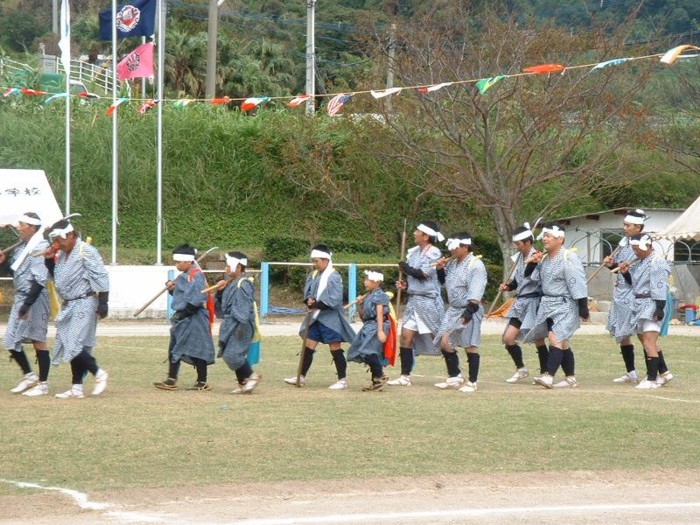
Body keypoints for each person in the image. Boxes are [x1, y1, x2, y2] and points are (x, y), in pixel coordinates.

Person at [43, 219, 109, 399]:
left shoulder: (85, 250)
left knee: (73, 343)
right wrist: (49, 260)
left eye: (60, 240)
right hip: (69, 304)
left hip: (84, 302)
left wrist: (104, 302)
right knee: (70, 344)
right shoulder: (64, 254)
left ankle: (99, 373)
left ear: (71, 235)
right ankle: (77, 387)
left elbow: (101, 275)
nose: (58, 244)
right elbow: (57, 276)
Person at [523, 222, 589, 389]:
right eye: (544, 236)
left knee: (555, 337)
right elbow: (532, 278)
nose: (545, 239)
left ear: (560, 239)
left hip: (565, 303)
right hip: (548, 303)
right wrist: (532, 263)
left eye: (549, 236)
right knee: (563, 341)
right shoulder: (544, 258)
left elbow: (578, 283)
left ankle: (549, 375)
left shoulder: (569, 257)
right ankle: (570, 377)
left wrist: (583, 306)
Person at [284, 245, 356, 390]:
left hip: (331, 318)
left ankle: (342, 380)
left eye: (316, 261)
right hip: (316, 317)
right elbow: (308, 292)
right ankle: (301, 376)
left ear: (325, 259)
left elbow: (334, 299)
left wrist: (317, 304)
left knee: (335, 347)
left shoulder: (334, 276)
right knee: (308, 345)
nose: (314, 264)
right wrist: (308, 301)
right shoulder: (314, 275)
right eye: (313, 261)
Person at [387, 222, 445, 387]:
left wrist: (405, 268)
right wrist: (405, 285)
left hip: (429, 301)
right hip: (413, 301)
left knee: (440, 338)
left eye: (417, 231)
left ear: (425, 236)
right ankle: (405, 376)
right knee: (405, 337)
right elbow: (413, 278)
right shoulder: (412, 254)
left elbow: (423, 274)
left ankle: (454, 373)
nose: (414, 233)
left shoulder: (434, 253)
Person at [1, 213, 51, 396]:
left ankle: (43, 384)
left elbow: (39, 280)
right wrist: (3, 263)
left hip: (35, 297)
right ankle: (30, 376)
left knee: (38, 339)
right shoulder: (22, 247)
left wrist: (27, 305)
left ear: (32, 227)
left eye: (21, 224)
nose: (18, 227)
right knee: (10, 340)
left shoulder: (41, 247)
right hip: (21, 296)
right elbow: (15, 271)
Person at [154, 244, 216, 391]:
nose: (176, 265)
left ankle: (202, 381)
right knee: (174, 347)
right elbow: (181, 295)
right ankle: (171, 379)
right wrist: (171, 289)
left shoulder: (196, 275)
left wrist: (184, 313)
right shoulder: (183, 276)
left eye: (178, 262)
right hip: (182, 318)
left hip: (195, 318)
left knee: (198, 348)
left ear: (188, 261)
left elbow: (198, 298)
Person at [433, 232, 487, 393]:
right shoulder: (453, 263)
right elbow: (445, 283)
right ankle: (455, 376)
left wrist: (468, 313)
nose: (452, 251)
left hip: (469, 308)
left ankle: (472, 381)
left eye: (455, 248)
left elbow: (476, 290)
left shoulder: (476, 265)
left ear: (465, 247)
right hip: (454, 308)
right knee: (445, 342)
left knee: (469, 345)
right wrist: (440, 270)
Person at [618, 233, 673, 390]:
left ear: (648, 247)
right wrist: (626, 273)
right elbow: (634, 284)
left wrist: (660, 308)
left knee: (649, 341)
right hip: (639, 303)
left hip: (652, 303)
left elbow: (660, 287)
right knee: (645, 341)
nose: (635, 252)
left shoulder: (657, 263)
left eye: (638, 248)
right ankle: (664, 372)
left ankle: (651, 378)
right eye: (634, 248)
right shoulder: (641, 262)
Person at [499, 223, 548, 384]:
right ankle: (521, 369)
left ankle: (545, 373)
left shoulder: (539, 257)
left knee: (538, 339)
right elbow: (517, 281)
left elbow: (529, 277)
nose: (517, 247)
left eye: (518, 244)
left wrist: (532, 262)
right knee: (508, 338)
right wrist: (508, 286)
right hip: (520, 301)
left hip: (534, 301)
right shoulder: (519, 257)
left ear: (527, 242)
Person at [602, 209, 646, 384]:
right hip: (620, 293)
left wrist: (625, 272)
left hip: (635, 294)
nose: (624, 228)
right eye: (624, 224)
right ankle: (631, 372)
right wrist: (610, 264)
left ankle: (658, 370)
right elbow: (619, 270)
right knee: (623, 335)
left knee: (643, 335)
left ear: (638, 227)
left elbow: (636, 278)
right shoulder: (624, 245)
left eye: (628, 225)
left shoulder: (643, 246)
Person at [213, 251, 261, 394]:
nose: (225, 270)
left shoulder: (244, 283)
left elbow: (244, 308)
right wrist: (220, 292)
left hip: (241, 324)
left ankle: (252, 376)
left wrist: (241, 323)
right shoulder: (232, 283)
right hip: (231, 323)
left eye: (228, 266)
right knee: (229, 353)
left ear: (238, 267)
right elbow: (224, 307)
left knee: (232, 354)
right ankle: (244, 383)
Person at [347, 270, 391, 391]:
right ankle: (376, 380)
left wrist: (381, 331)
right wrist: (359, 305)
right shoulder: (369, 296)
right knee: (360, 350)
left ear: (376, 282)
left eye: (368, 280)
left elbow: (380, 313)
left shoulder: (380, 295)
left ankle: (379, 375)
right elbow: (364, 317)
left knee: (368, 350)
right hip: (369, 325)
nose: (365, 282)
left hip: (378, 324)